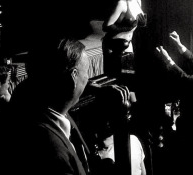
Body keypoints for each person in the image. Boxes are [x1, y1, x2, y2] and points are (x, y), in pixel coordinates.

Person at [9, 38, 132, 175]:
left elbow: (56, 78)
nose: (87, 78)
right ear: (73, 76)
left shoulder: (30, 94)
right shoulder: (54, 153)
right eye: (86, 71)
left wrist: (96, 88)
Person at [102, 0, 147, 78]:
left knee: (129, 79)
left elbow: (135, 23)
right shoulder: (121, 3)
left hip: (127, 44)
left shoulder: (138, 1)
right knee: (116, 81)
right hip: (113, 46)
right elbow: (106, 26)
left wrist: (142, 24)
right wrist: (127, 27)